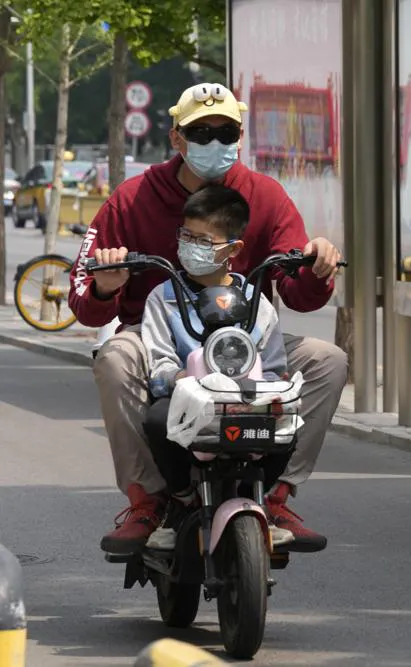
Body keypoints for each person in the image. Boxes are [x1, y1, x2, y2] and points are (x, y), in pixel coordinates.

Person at [69, 83, 349, 555]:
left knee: (328, 360)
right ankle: (148, 500)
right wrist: (106, 286)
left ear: (241, 136)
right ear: (177, 139)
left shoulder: (266, 195)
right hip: (156, 336)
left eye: (226, 131)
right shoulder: (131, 199)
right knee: (115, 359)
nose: (215, 141)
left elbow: (298, 294)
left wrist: (317, 265)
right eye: (201, 132)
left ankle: (277, 493)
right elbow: (84, 298)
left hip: (242, 341)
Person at [137, 184, 294, 551]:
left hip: (246, 399)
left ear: (233, 249)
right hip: (187, 400)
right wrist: (180, 380)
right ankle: (179, 501)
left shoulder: (257, 303)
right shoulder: (165, 297)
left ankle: (260, 499)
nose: (191, 246)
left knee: (288, 421)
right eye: (186, 236)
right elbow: (159, 362)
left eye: (203, 240)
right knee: (158, 421)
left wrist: (269, 390)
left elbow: (273, 367)